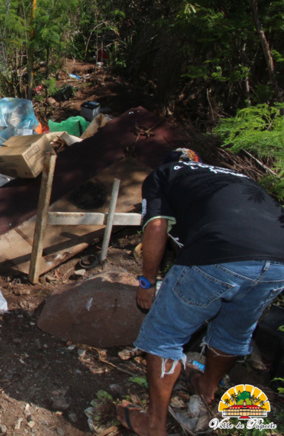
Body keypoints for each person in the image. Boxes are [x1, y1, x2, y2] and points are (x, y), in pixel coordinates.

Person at [117, 149, 284, 436]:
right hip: (278, 263)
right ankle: (207, 388)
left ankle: (153, 424)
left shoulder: (164, 174)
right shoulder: (240, 178)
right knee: (232, 333)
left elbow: (156, 225)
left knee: (164, 336)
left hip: (218, 253)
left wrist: (147, 282)